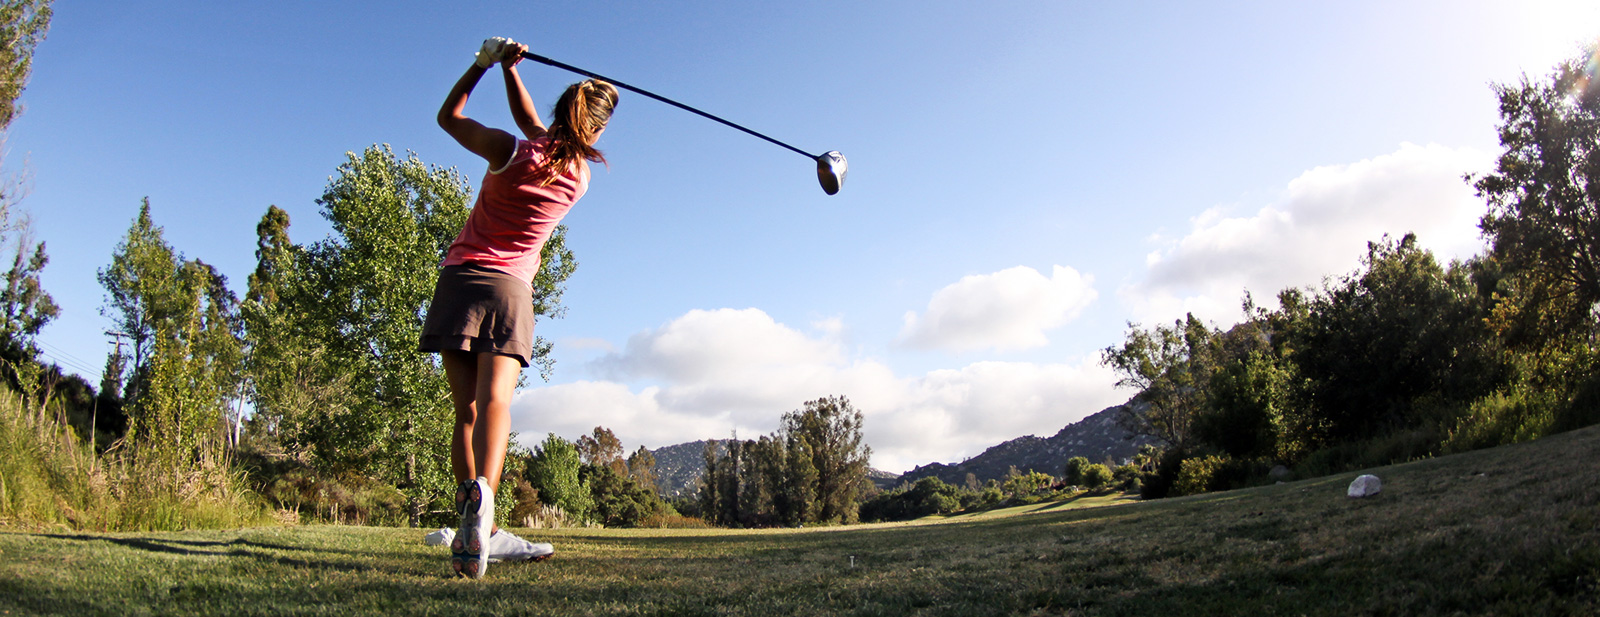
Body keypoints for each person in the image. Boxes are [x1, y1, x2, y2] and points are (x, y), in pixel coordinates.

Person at [421, 36, 618, 579]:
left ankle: (468, 506)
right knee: (497, 405)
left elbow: (449, 116)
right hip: (509, 291)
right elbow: (540, 127)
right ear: (594, 131)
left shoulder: (508, 150)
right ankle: (485, 507)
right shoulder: (577, 178)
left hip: (460, 281)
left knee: (464, 411)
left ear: (559, 114)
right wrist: (512, 72)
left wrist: (485, 65)